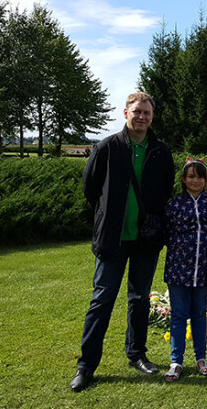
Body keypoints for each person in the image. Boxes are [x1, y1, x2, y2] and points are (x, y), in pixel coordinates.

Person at [70, 92, 175, 392]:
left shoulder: (160, 151)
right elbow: (91, 188)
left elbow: (165, 189)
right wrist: (110, 214)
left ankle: (136, 354)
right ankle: (86, 366)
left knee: (139, 299)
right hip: (112, 240)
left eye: (147, 113)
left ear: (152, 117)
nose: (142, 117)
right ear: (125, 112)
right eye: (137, 111)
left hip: (145, 239)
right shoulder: (106, 147)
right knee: (101, 301)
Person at [163, 158, 207, 382]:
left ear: (206, 180)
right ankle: (176, 361)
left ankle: (201, 359)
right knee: (178, 316)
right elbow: (167, 234)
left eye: (199, 176)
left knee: (199, 315)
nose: (195, 180)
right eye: (191, 176)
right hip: (178, 270)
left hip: (204, 270)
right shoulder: (174, 205)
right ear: (183, 179)